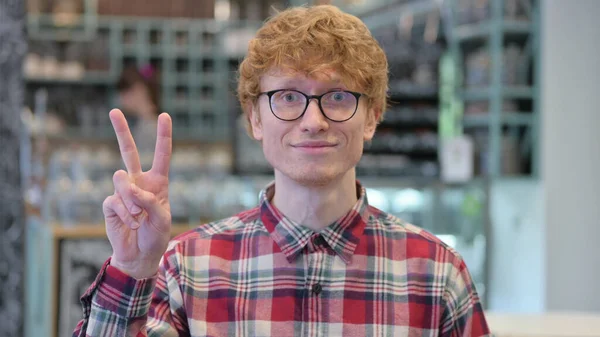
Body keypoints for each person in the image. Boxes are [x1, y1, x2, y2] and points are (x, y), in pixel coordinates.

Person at [73, 5, 490, 337]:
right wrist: (131, 269)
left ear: (371, 117)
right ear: (255, 119)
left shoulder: (436, 274)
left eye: (339, 96)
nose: (313, 121)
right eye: (288, 96)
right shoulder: (189, 268)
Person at [116, 64, 161, 154]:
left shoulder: (150, 128)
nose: (120, 99)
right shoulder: (146, 123)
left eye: (123, 93)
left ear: (138, 90)